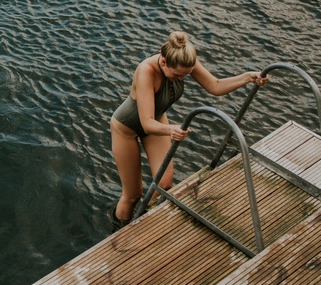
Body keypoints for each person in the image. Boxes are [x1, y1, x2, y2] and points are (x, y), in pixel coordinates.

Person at [110, 31, 268, 224]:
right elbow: (146, 123)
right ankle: (118, 230)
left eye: (186, 75)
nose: (181, 79)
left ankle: (140, 221)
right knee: (133, 194)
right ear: (164, 62)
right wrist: (171, 130)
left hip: (157, 123)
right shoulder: (146, 71)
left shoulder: (185, 61)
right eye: (177, 75)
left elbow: (215, 86)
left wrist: (247, 78)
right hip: (127, 129)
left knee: (164, 184)